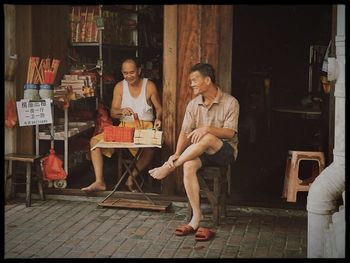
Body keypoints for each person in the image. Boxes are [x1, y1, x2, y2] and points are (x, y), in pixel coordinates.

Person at [149, 63, 239, 235]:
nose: (191, 84)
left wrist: (207, 129)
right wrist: (176, 154)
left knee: (207, 137)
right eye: (191, 81)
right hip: (202, 151)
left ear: (207, 80)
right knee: (189, 165)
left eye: (194, 80)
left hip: (225, 152)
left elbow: (230, 132)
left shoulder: (230, 102)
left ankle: (169, 168)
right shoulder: (193, 104)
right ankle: (196, 218)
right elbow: (185, 132)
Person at [82, 57, 162, 193]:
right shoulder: (119, 87)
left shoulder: (149, 86)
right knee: (94, 142)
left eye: (132, 72)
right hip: (124, 128)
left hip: (145, 127)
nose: (129, 76)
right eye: (125, 73)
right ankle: (99, 181)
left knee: (150, 149)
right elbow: (113, 113)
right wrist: (121, 111)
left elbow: (159, 108)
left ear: (139, 71)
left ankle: (131, 178)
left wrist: (158, 118)